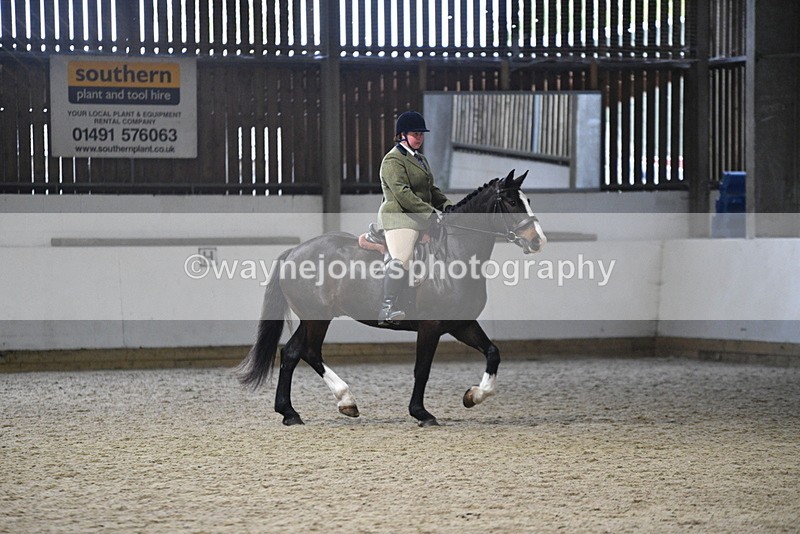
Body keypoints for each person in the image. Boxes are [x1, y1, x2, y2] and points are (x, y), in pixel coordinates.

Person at [377, 110, 453, 325]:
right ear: (402, 135)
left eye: (421, 134)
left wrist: (448, 207)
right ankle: (387, 308)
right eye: (415, 134)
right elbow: (402, 194)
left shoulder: (421, 159)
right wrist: (430, 213)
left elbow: (431, 189)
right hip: (400, 217)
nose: (419, 138)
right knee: (402, 257)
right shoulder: (392, 160)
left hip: (420, 217)